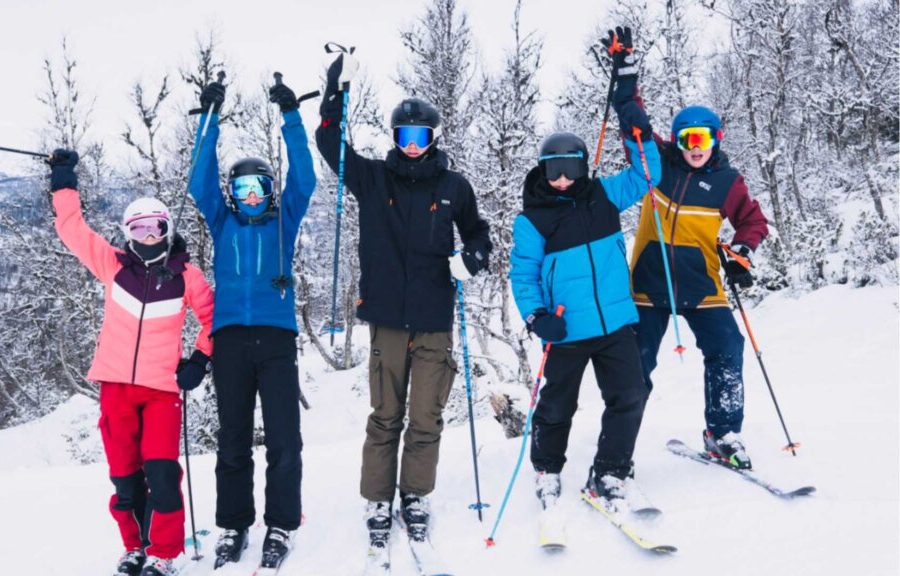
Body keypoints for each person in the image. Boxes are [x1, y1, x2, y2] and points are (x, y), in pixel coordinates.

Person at [314, 53, 492, 546]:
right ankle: (378, 498)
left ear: (434, 139)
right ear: (394, 139)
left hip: (435, 316)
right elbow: (331, 146)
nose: (412, 146)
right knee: (385, 414)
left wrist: (471, 259)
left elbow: (480, 235)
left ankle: (415, 494)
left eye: (420, 137)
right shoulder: (373, 179)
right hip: (387, 318)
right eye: (403, 137)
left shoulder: (455, 186)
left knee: (426, 415)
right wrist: (334, 97)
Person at [509, 27, 659, 511]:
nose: (562, 179)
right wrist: (536, 317)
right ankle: (547, 469)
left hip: (616, 321)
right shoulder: (532, 218)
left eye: (571, 168)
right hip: (566, 325)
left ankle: (610, 472)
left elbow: (646, 172)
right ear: (541, 170)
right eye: (553, 169)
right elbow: (522, 274)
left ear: (582, 167)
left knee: (630, 397)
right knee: (556, 407)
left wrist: (628, 110)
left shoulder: (603, 197)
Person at [47, 151, 215, 576]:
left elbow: (215, 320)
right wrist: (64, 181)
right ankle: (134, 548)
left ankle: (163, 552)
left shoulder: (185, 275)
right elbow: (72, 230)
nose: (148, 235)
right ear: (127, 233)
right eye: (137, 228)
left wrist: (199, 358)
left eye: (156, 226)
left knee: (161, 473)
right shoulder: (114, 266)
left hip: (162, 390)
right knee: (124, 477)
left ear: (167, 229)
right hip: (115, 386)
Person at [187, 75, 317, 571]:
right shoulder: (222, 223)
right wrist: (210, 117)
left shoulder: (284, 219)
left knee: (285, 436)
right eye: (241, 189)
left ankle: (281, 522)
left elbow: (304, 178)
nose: (250, 196)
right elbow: (198, 181)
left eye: (258, 187)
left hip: (277, 339)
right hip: (231, 342)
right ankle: (234, 523)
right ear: (233, 195)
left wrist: (290, 117)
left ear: (269, 190)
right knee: (233, 438)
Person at [622, 42, 769, 470]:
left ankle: (723, 433)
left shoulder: (728, 182)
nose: (695, 146)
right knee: (634, 365)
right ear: (678, 140)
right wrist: (626, 82)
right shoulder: (659, 165)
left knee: (727, 346)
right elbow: (635, 125)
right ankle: (619, 444)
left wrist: (741, 254)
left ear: (716, 140)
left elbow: (753, 223)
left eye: (703, 138)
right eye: (687, 138)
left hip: (702, 285)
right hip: (649, 285)